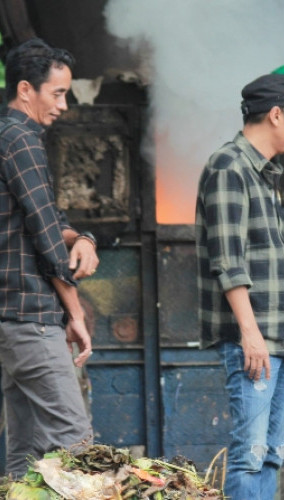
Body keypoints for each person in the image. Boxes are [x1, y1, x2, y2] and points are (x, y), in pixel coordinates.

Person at [195, 73, 284, 500]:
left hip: (280, 336)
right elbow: (228, 261)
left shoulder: (266, 174)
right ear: (276, 114)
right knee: (250, 453)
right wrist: (251, 335)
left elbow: (278, 261)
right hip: (255, 340)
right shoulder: (228, 166)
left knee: (272, 454)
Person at [0, 38, 100, 476]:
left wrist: (83, 238)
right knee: (76, 444)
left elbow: (45, 218)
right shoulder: (20, 139)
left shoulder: (10, 138)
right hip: (29, 318)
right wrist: (74, 312)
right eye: (57, 93)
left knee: (26, 452)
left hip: (11, 321)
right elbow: (43, 232)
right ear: (26, 90)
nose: (63, 104)